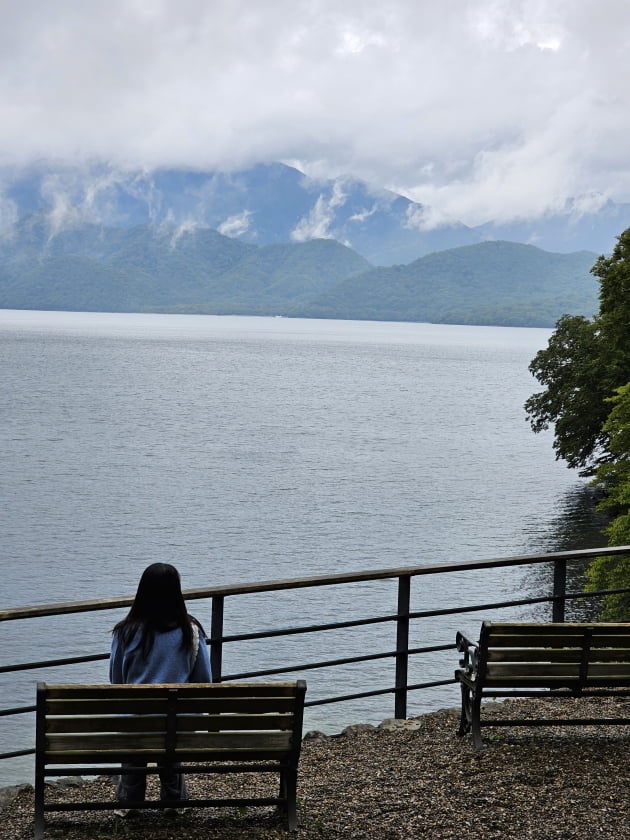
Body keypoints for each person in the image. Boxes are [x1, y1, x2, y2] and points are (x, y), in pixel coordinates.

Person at [109, 562, 212, 813]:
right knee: (170, 735)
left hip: (135, 723)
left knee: (135, 729)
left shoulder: (125, 632)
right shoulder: (191, 631)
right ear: (176, 592)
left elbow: (116, 680)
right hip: (176, 723)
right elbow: (204, 681)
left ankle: (130, 804)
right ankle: (174, 803)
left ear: (142, 592)